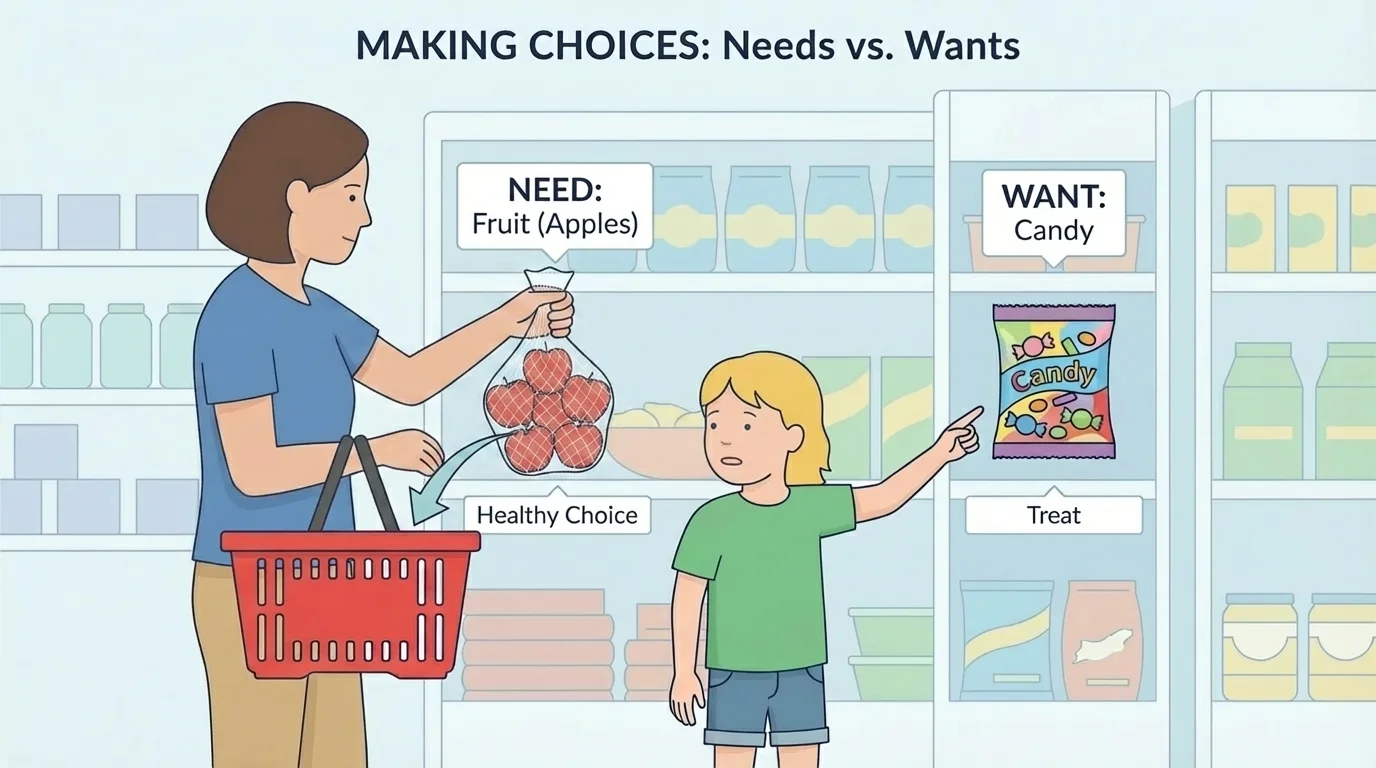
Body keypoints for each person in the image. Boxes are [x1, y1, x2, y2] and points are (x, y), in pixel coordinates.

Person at [189, 102, 573, 768]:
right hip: (248, 579)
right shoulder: (236, 316)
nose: (364, 216)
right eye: (352, 195)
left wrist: (511, 319)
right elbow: (252, 469)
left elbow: (414, 378)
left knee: (337, 756)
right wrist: (372, 453)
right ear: (294, 197)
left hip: (328, 577)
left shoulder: (320, 313)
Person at [667, 351, 982, 768]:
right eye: (714, 423)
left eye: (746, 424)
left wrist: (940, 453)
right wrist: (683, 671)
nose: (725, 439)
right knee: (732, 759)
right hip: (732, 671)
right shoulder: (711, 520)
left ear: (794, 436)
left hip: (802, 668)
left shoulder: (811, 507)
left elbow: (884, 497)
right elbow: (688, 594)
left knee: (801, 758)